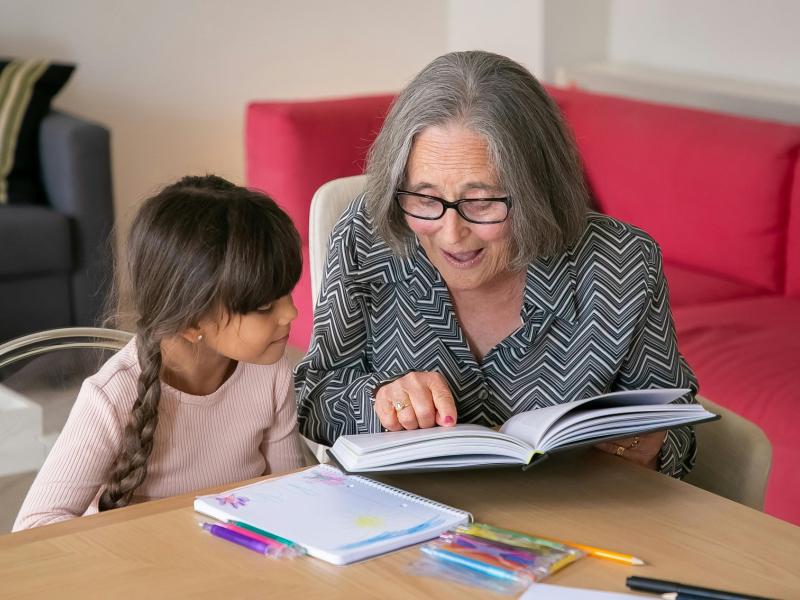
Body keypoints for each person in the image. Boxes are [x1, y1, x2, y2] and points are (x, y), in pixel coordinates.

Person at [296, 50, 698, 477]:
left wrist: (649, 446)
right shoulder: (368, 235)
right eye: (425, 199)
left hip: (571, 511)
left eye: (482, 202)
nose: (451, 234)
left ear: (537, 191)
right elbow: (313, 396)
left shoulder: (622, 263)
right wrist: (379, 400)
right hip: (406, 508)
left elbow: (677, 423)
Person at [14, 175, 306, 530]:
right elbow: (33, 528)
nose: (291, 313)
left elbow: (291, 496)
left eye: (287, 292)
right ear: (191, 322)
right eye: (263, 306)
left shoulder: (270, 370)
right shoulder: (112, 397)